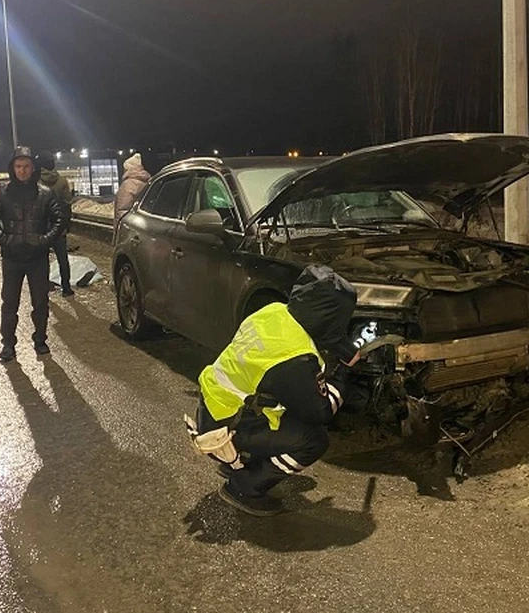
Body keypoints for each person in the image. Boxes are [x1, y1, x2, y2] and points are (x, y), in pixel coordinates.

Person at [187, 265, 361, 516]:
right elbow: (321, 411)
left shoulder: (273, 311)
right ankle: (243, 487)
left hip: (213, 406)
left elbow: (311, 334)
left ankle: (241, 460)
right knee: (314, 440)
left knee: (284, 413)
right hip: (226, 426)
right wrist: (344, 372)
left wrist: (335, 343)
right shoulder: (295, 359)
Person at [0, 146, 64, 362]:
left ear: (32, 168)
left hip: (37, 259)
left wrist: (44, 240)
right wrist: (5, 240)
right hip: (12, 258)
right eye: (18, 166)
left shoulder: (45, 194)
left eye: (26, 166)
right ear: (12, 168)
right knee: (9, 303)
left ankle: (40, 339)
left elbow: (60, 219)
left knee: (40, 302)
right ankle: (8, 343)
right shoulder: (2, 193)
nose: (22, 170)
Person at [37, 152, 75, 296]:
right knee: (62, 258)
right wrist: (66, 225)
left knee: (43, 259)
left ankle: (45, 285)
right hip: (59, 225)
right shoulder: (62, 180)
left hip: (42, 227)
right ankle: (66, 287)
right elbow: (67, 203)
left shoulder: (37, 182)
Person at [114, 153, 150, 228]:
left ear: (128, 169)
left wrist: (119, 229)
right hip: (145, 225)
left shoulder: (127, 185)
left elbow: (122, 211)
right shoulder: (148, 182)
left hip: (131, 229)